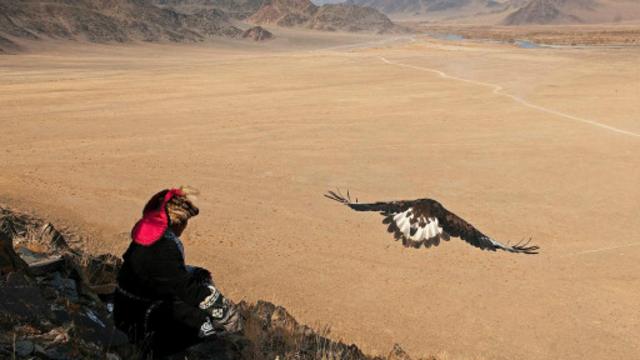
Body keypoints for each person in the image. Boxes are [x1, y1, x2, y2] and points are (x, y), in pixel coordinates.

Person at [114, 187, 242, 358]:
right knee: (203, 324)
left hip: (127, 307)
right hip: (140, 316)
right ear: (179, 222)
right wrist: (224, 310)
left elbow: (160, 272)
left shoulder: (151, 233)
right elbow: (185, 288)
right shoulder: (163, 245)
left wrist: (193, 272)